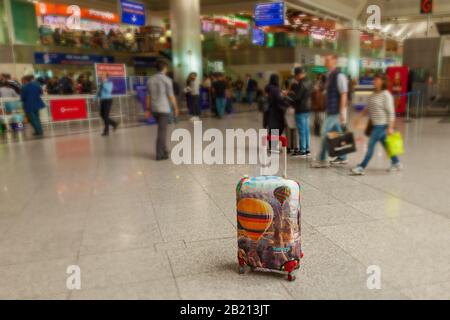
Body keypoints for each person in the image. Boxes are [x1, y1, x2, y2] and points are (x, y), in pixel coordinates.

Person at [351, 74, 402, 175]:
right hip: (375, 125)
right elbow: (367, 108)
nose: (374, 81)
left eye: (377, 79)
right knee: (386, 145)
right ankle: (396, 162)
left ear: (383, 81)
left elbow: (391, 112)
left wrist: (390, 127)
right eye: (374, 79)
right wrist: (359, 117)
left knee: (370, 146)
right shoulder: (373, 94)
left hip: (381, 125)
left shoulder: (386, 95)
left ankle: (362, 167)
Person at [312, 54, 349, 168]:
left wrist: (342, 112)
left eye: (328, 60)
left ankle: (322, 159)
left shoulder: (339, 76)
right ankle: (343, 157)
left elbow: (343, 94)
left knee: (324, 134)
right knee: (336, 134)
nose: (325, 62)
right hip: (330, 110)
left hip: (335, 111)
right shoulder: (329, 75)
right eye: (325, 59)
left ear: (334, 61)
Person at [146, 60, 180, 161]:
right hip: (164, 109)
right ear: (165, 68)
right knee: (162, 131)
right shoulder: (167, 80)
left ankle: (164, 150)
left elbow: (148, 96)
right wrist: (176, 108)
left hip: (154, 109)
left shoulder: (150, 80)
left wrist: (147, 109)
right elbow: (171, 96)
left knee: (162, 129)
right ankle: (159, 154)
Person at [289, 67, 313, 157]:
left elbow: (297, 98)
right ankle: (307, 149)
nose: (295, 78)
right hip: (307, 108)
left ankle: (302, 150)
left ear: (298, 74)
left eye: (295, 76)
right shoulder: (310, 82)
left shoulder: (301, 83)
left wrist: (289, 95)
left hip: (301, 109)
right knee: (306, 130)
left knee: (302, 130)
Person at [266, 74, 287, 141]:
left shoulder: (268, 87)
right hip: (276, 111)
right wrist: (284, 100)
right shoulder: (275, 89)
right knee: (277, 128)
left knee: (272, 128)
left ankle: (271, 146)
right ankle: (273, 147)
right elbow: (279, 99)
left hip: (270, 111)